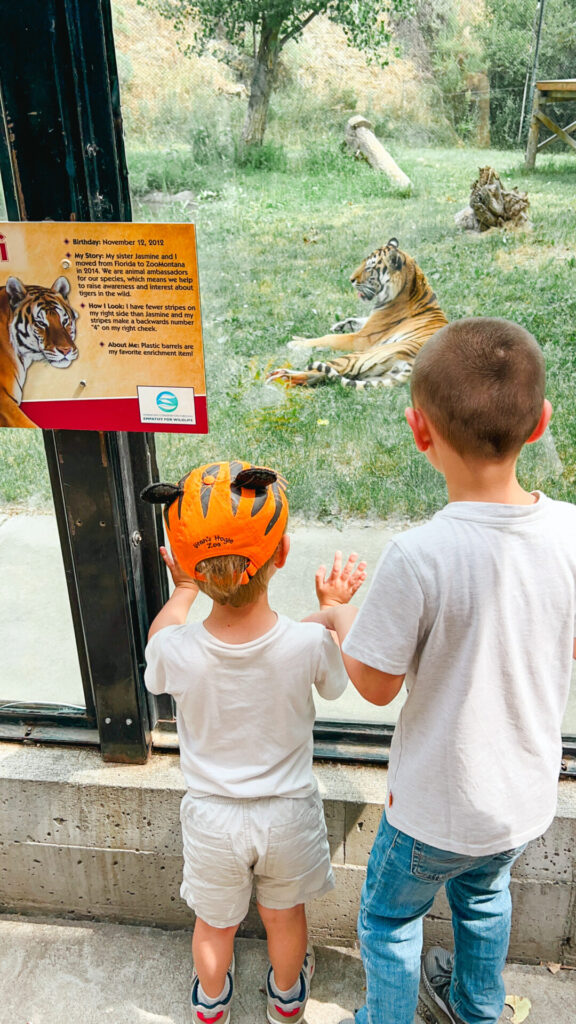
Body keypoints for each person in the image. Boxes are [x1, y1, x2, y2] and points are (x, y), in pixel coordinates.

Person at [306, 318, 576, 1024]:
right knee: (485, 898)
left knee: (390, 920)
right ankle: (477, 1009)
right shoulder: (572, 532)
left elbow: (375, 683)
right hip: (519, 802)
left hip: (432, 811)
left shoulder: (419, 554)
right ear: (542, 423)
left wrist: (338, 614)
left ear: (418, 431)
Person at [141, 460, 366, 1024]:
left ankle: (212, 1001)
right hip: (288, 814)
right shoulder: (309, 644)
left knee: (213, 924)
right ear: (282, 554)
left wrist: (185, 589)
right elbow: (320, 657)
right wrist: (335, 605)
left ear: (185, 561)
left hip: (212, 817)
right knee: (285, 917)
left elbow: (161, 635)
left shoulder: (176, 650)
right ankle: (287, 998)